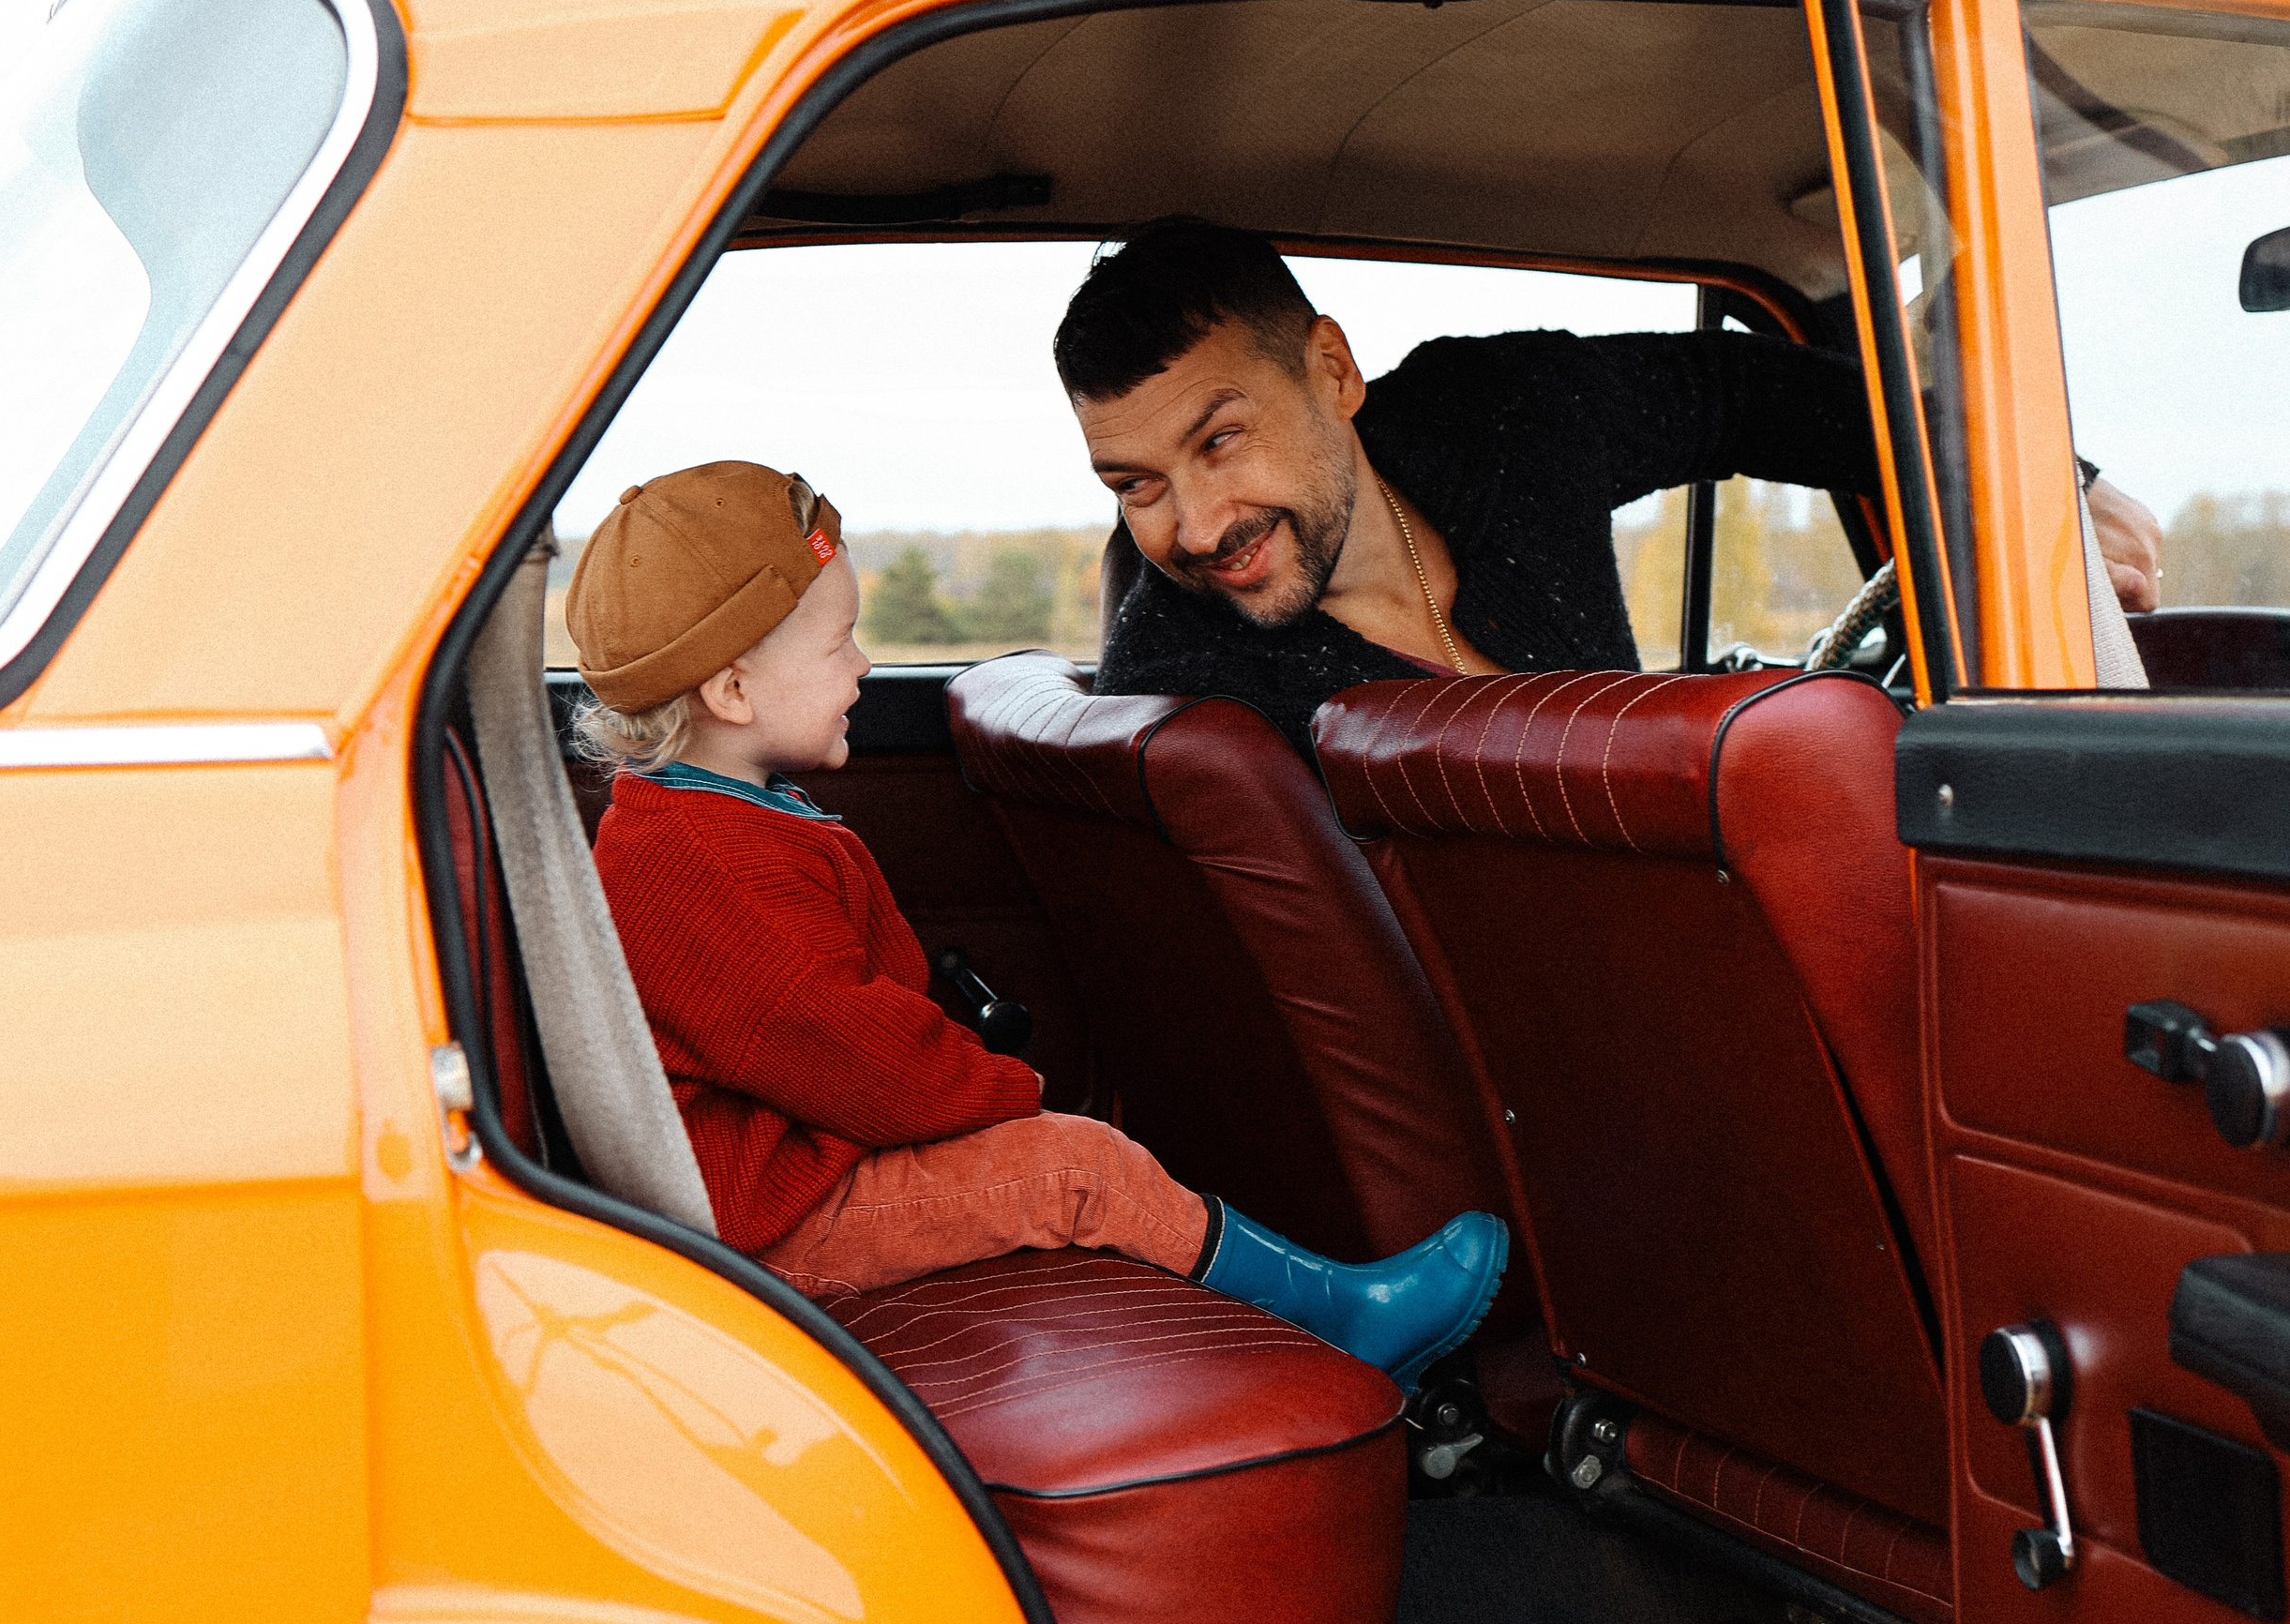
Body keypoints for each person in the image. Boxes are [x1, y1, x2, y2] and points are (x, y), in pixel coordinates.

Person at [564, 459, 1506, 1389]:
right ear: (732, 693)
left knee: (1060, 1153)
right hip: (778, 1232)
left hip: (786, 1186)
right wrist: (1013, 1101)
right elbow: (864, 1059)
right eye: (839, 645)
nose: (860, 664)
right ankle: (1345, 1324)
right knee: (1077, 1168)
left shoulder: (705, 821)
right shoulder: (703, 865)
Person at [1057, 219, 2163, 743]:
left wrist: (2032, 479)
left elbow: (1743, 390)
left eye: (1219, 442)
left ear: (1333, 373)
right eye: (1134, 485)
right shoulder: (1175, 683)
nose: (1196, 526)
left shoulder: (1496, 415)